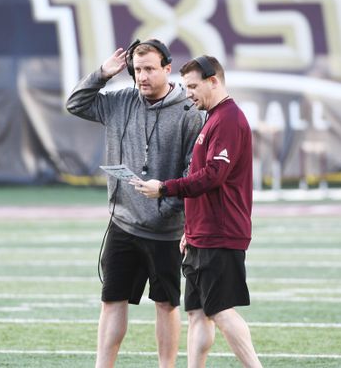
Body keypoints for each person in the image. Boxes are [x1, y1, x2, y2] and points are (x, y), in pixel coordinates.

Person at [66, 39, 203, 368]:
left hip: (165, 229)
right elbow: (75, 103)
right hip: (123, 223)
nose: (142, 76)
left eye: (149, 69)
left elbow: (191, 171)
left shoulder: (188, 111)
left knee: (166, 303)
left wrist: (168, 210)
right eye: (137, 69)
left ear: (167, 69)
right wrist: (102, 74)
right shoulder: (120, 100)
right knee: (111, 300)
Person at [131, 56, 262, 368]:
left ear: (213, 81)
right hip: (203, 234)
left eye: (192, 86)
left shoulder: (229, 118)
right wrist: (190, 231)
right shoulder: (213, 118)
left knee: (220, 310)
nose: (187, 93)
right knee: (198, 312)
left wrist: (164, 187)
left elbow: (213, 175)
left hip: (221, 232)